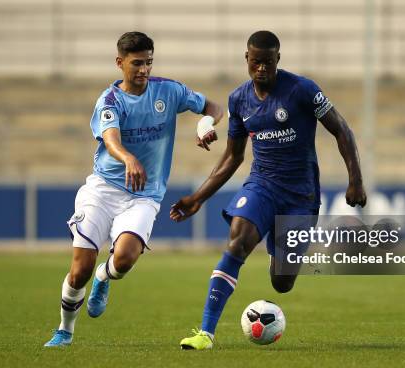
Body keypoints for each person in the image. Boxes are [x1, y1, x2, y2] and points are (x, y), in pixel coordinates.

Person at [170, 30, 367, 350]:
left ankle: (279, 251)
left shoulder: (302, 90)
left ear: (278, 60)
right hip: (261, 185)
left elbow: (341, 129)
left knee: (282, 282)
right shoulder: (239, 99)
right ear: (246, 60)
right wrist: (198, 198)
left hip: (300, 196)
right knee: (238, 240)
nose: (261, 67)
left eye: (268, 62)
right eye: (255, 61)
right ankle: (206, 333)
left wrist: (355, 179)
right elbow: (233, 157)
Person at [44, 31, 223, 347]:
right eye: (137, 63)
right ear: (120, 63)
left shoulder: (169, 91)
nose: (144, 69)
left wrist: (204, 126)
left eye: (149, 62)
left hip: (144, 193)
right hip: (103, 189)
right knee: (79, 270)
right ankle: (65, 330)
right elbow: (110, 138)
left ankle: (105, 277)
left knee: (124, 259)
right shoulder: (110, 101)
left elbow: (213, 107)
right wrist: (128, 158)